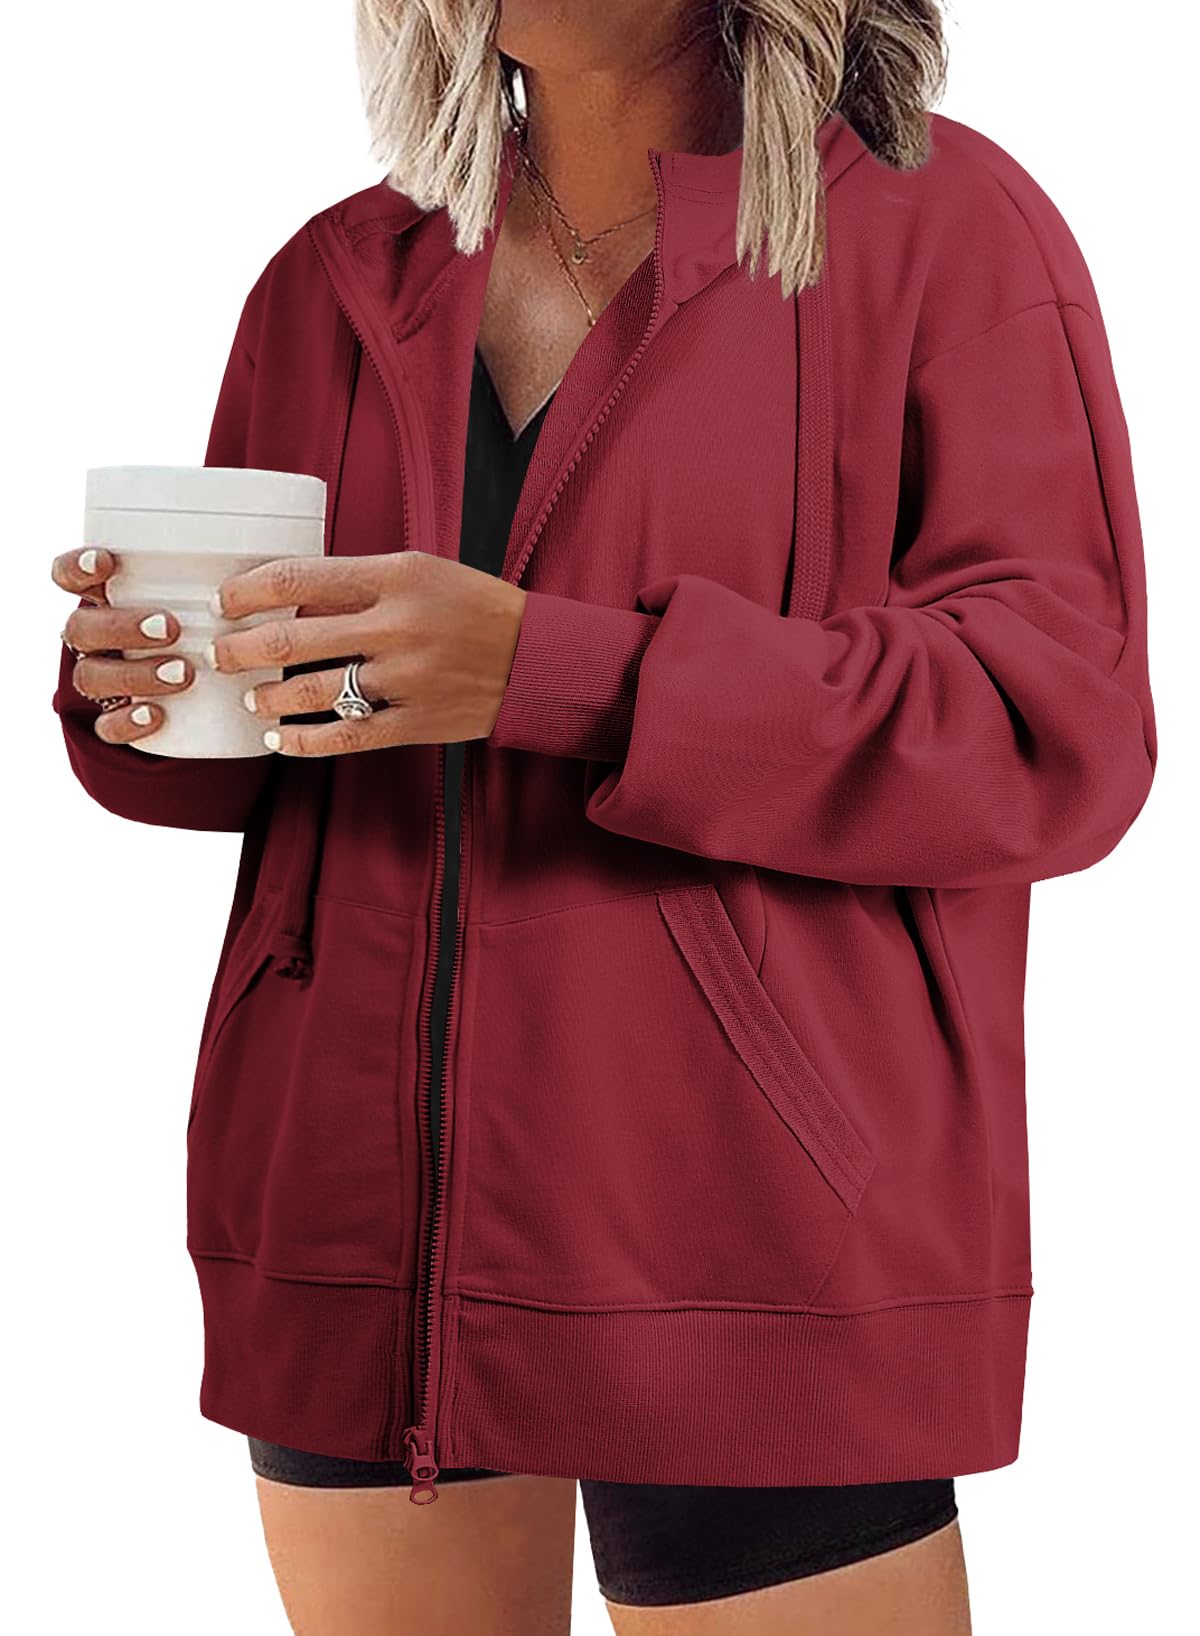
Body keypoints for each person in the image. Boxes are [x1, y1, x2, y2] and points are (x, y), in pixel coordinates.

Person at [50, 2, 1156, 1631]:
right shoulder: (338, 274)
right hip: (354, 1220)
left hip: (752, 1230)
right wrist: (138, 694)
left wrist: (556, 672)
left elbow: (1050, 729)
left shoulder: (941, 227)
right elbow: (261, 755)